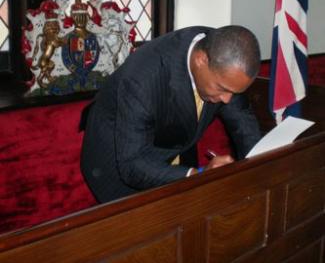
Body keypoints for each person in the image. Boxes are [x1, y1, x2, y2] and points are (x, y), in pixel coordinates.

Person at [80, 25, 262, 203]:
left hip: (173, 142)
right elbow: (132, 165)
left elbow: (242, 120)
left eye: (234, 92)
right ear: (201, 60)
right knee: (145, 227)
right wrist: (196, 174)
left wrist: (260, 164)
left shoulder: (222, 56)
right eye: (221, 88)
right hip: (118, 158)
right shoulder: (142, 79)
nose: (227, 100)